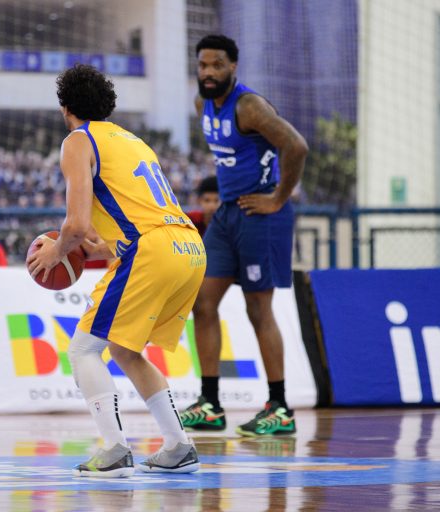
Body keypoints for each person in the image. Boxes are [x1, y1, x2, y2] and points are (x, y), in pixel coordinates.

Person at [27, 64, 206, 477]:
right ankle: (178, 445)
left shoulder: (78, 140)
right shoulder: (134, 141)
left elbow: (74, 225)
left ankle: (114, 450)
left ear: (65, 107)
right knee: (124, 349)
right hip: (189, 247)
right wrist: (102, 248)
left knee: (83, 350)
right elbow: (147, 214)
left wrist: (56, 251)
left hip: (153, 250)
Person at [180, 35, 307, 437]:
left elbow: (296, 146)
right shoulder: (201, 104)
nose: (208, 72)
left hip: (261, 214)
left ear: (233, 67)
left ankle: (280, 408)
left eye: (217, 65)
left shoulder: (249, 106)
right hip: (227, 214)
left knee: (258, 308)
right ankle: (210, 404)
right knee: (202, 302)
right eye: (203, 65)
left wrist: (278, 198)